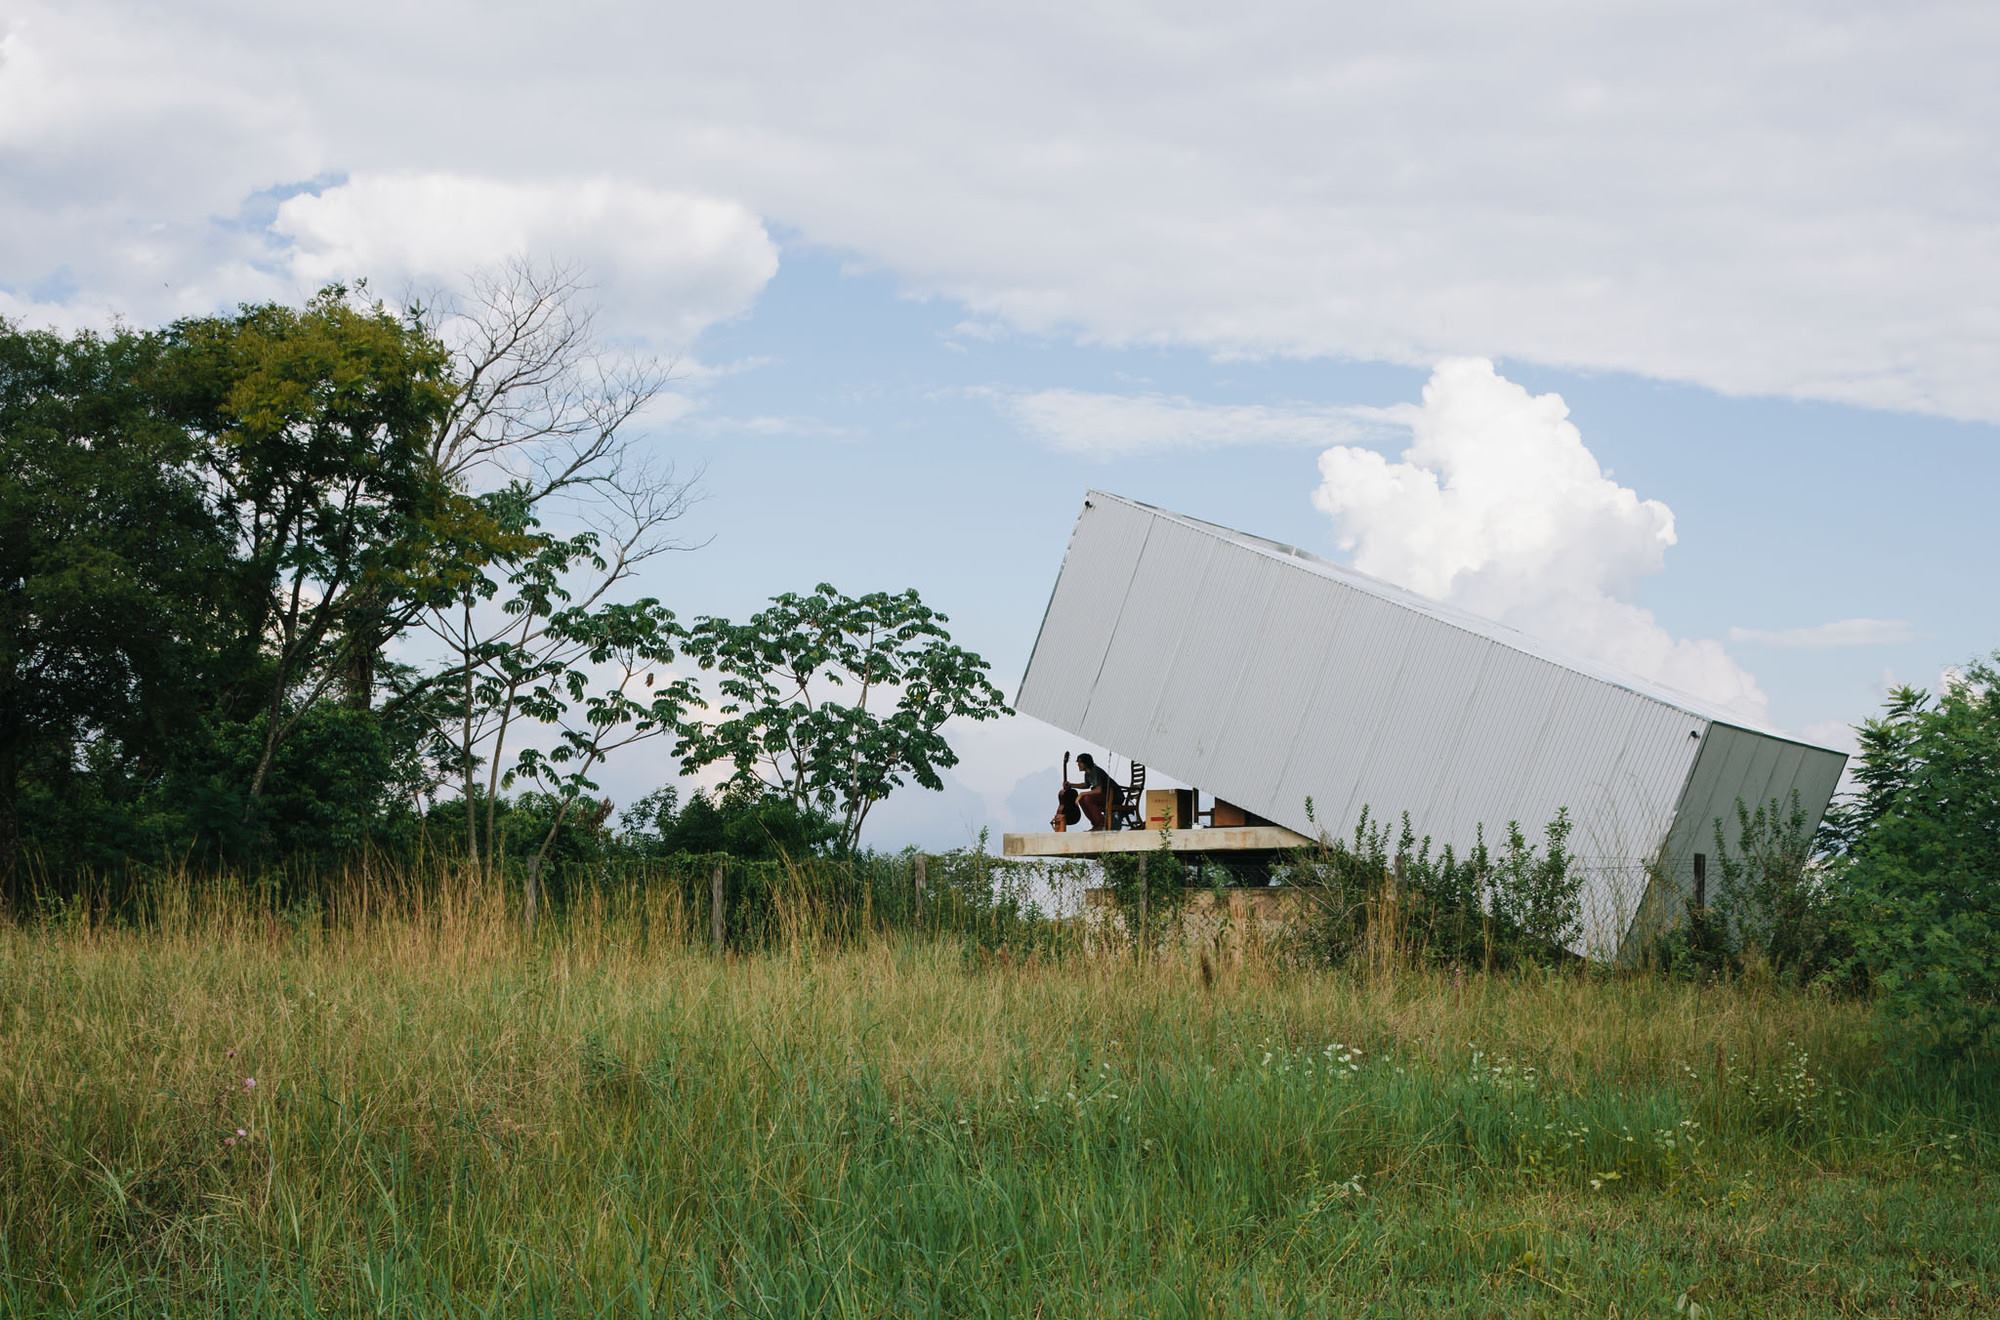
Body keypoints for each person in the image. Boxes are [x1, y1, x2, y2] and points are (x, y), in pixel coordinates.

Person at [1065, 752, 1121, 831]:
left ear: (1086, 763)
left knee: (1087, 798)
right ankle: (1096, 824)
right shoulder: (1087, 773)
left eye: (1080, 762)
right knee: (1082, 799)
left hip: (1114, 796)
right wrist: (1071, 785)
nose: (1078, 765)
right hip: (1104, 795)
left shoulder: (1095, 771)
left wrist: (1081, 794)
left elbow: (1099, 790)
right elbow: (1086, 785)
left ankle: (1102, 824)